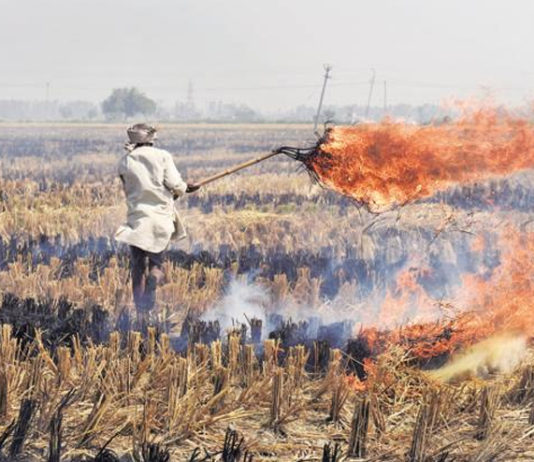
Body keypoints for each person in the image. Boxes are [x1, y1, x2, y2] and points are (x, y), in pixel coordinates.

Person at [115, 123, 200, 329]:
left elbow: (130, 188)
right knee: (156, 264)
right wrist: (185, 188)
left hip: (138, 220)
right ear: (151, 139)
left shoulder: (125, 161)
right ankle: (154, 279)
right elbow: (175, 184)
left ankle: (140, 311)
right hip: (161, 220)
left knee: (137, 266)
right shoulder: (162, 156)